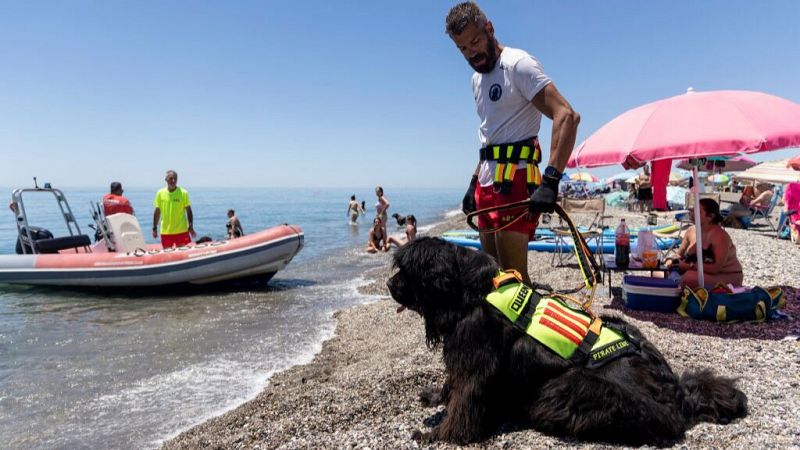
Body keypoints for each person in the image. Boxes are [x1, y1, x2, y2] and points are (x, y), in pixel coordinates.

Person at [448, 2, 579, 284]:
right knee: (491, 276)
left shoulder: (517, 64)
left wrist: (551, 180)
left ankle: (524, 327)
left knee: (514, 278)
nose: (472, 53)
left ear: (489, 29)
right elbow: (491, 136)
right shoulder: (476, 79)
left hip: (515, 180)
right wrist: (473, 183)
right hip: (486, 183)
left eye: (475, 42)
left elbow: (566, 116)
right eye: (463, 49)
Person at [665, 199, 743, 288]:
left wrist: (688, 266)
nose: (692, 214)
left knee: (689, 278)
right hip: (694, 271)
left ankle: (675, 285)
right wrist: (670, 260)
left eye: (697, 212)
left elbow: (715, 268)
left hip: (726, 275)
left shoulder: (719, 236)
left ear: (710, 216)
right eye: (692, 210)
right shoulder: (691, 231)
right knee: (658, 273)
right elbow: (679, 254)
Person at [152, 170, 195, 248]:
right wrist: (154, 228)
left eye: (175, 178)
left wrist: (191, 226)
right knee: (167, 255)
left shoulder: (183, 193)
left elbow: (189, 211)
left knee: (183, 255)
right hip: (166, 232)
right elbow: (157, 212)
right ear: (166, 179)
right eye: (171, 178)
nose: (173, 181)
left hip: (181, 231)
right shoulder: (160, 193)